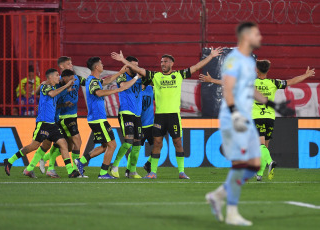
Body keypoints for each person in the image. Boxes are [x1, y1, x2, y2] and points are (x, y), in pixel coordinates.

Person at [205, 22, 294, 226]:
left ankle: (218, 196)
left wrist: (275, 106)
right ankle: (231, 212)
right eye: (256, 34)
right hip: (234, 118)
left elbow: (253, 91)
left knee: (253, 164)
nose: (260, 37)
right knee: (244, 163)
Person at [111, 47, 223, 179]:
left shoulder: (179, 75)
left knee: (178, 143)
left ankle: (181, 172)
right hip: (159, 117)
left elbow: (196, 66)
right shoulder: (156, 76)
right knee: (157, 143)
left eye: (166, 62)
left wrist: (210, 56)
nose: (163, 64)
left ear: (171, 63)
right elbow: (139, 70)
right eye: (162, 62)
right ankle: (152, 172)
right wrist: (123, 60)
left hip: (173, 116)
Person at [200, 60, 315, 181]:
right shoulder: (273, 83)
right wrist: (306, 75)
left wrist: (212, 80)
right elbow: (290, 82)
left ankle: (270, 162)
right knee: (264, 146)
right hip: (270, 118)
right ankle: (259, 174)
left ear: (256, 70)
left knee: (259, 146)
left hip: (257, 117)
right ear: (267, 70)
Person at [4, 68, 80, 178]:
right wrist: (66, 85)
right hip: (43, 124)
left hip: (52, 124)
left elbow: (52, 100)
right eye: (56, 75)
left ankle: (70, 171)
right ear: (50, 77)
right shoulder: (46, 87)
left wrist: (64, 98)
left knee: (63, 143)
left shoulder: (51, 87)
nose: (58, 77)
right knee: (33, 146)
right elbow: (52, 94)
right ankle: (10, 161)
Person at [75, 57, 138, 179]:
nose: (103, 65)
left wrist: (120, 73)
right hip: (98, 118)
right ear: (97, 67)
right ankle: (103, 173)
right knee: (112, 145)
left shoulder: (94, 80)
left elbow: (106, 81)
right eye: (101, 64)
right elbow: (98, 92)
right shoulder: (93, 82)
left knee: (105, 146)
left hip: (96, 118)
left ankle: (81, 161)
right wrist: (118, 90)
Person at [110, 56, 144, 179]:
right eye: (133, 65)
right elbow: (124, 87)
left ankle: (132, 171)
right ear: (128, 65)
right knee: (128, 141)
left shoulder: (140, 77)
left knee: (137, 144)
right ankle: (115, 166)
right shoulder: (123, 76)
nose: (136, 68)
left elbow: (151, 81)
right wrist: (136, 77)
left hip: (137, 114)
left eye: (137, 65)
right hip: (126, 112)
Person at [140, 84, 155, 174]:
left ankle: (148, 163)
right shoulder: (134, 89)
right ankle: (129, 169)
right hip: (139, 125)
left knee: (158, 146)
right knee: (135, 148)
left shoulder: (150, 89)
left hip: (150, 125)